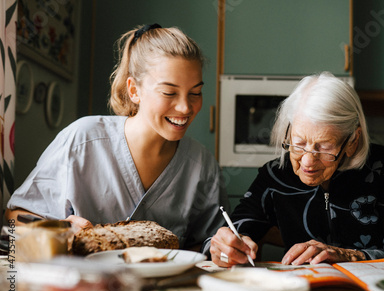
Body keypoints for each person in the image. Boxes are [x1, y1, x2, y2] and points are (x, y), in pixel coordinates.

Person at [6, 24, 229, 252]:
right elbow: (14, 217)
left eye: (195, 93)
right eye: (169, 93)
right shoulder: (82, 140)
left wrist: (221, 249)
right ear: (134, 91)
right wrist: (58, 228)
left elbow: (207, 245)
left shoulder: (202, 165)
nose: (185, 107)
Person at [209, 72, 384, 267]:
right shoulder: (276, 174)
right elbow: (235, 229)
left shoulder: (381, 166)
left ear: (352, 140)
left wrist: (349, 255)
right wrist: (225, 247)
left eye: (324, 147)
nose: (308, 162)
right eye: (299, 143)